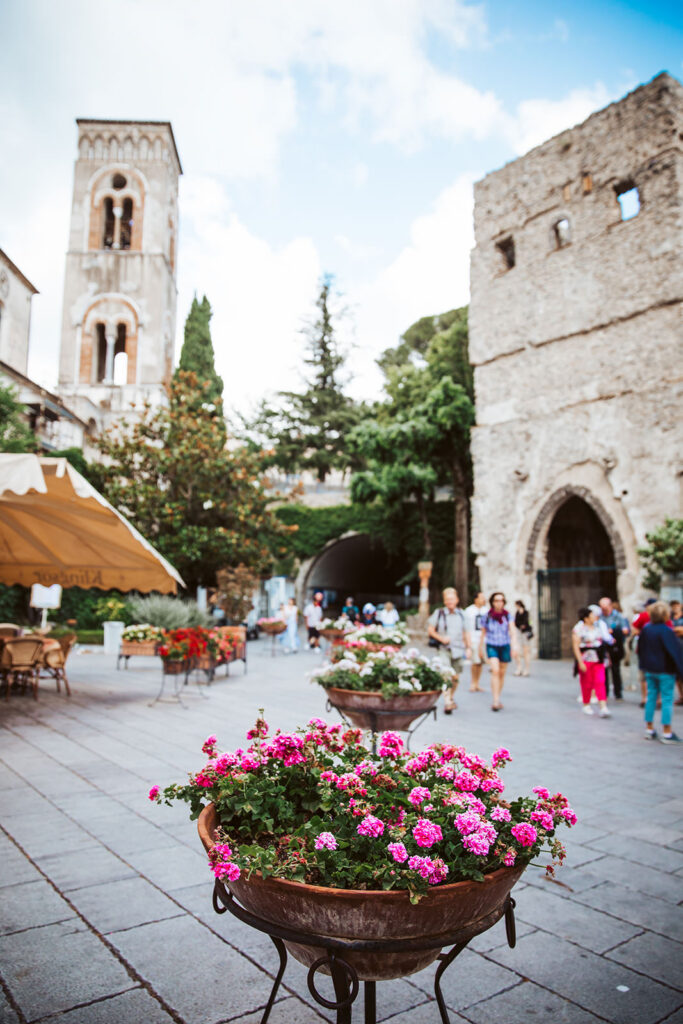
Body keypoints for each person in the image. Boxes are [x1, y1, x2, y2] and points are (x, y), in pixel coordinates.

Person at [638, 601, 683, 742]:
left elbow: (641, 648)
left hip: (650, 669)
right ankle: (667, 732)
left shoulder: (646, 629)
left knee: (651, 697)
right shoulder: (666, 631)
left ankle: (649, 729)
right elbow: (674, 652)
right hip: (665, 670)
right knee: (667, 699)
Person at [428, 587, 471, 714]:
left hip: (458, 649)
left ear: (457, 600)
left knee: (455, 677)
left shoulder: (462, 615)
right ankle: (447, 701)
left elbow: (466, 632)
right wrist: (441, 638)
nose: (449, 602)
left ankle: (450, 697)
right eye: (447, 599)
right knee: (446, 675)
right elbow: (430, 630)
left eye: (451, 599)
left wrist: (469, 648)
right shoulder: (439, 613)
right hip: (444, 649)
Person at [479, 592, 517, 712]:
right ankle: (495, 700)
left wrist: (514, 645)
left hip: (504, 645)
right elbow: (483, 633)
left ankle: (498, 696)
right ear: (492, 602)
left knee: (502, 672)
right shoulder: (487, 616)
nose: (499, 603)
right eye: (496, 600)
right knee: (495, 671)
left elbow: (512, 630)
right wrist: (480, 648)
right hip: (492, 645)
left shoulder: (507, 616)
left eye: (501, 600)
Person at [571, 606, 611, 718]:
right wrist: (580, 661)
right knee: (587, 683)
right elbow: (576, 646)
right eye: (592, 615)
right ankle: (586, 704)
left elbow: (602, 643)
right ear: (586, 618)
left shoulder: (597, 627)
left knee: (600, 681)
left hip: (598, 658)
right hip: (586, 658)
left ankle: (603, 706)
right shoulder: (578, 629)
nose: (595, 617)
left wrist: (606, 658)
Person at [599, 596, 629, 701]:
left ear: (610, 606)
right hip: (604, 646)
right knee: (604, 670)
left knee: (616, 669)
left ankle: (618, 692)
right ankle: (605, 692)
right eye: (602, 608)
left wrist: (615, 631)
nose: (604, 610)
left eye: (605, 608)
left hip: (615, 646)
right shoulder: (600, 617)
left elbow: (625, 630)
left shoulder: (618, 616)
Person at [463, 591, 487, 692]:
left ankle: (477, 683)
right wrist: (466, 642)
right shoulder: (469, 611)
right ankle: (473, 682)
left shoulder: (486, 611)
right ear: (476, 599)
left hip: (483, 640)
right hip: (473, 639)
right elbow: (465, 627)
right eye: (481, 597)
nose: (483, 599)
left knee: (480, 662)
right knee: (474, 662)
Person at [513, 600, 533, 677]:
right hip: (519, 633)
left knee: (526, 652)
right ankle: (519, 667)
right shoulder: (517, 613)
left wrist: (524, 626)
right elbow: (515, 622)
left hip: (525, 633)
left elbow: (528, 622)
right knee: (517, 651)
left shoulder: (526, 612)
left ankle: (527, 669)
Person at [670, 599, 683, 706]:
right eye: (673, 606)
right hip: (675, 648)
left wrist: (677, 630)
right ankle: (681, 696)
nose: (675, 607)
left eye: (676, 605)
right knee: (678, 675)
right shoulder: (670, 618)